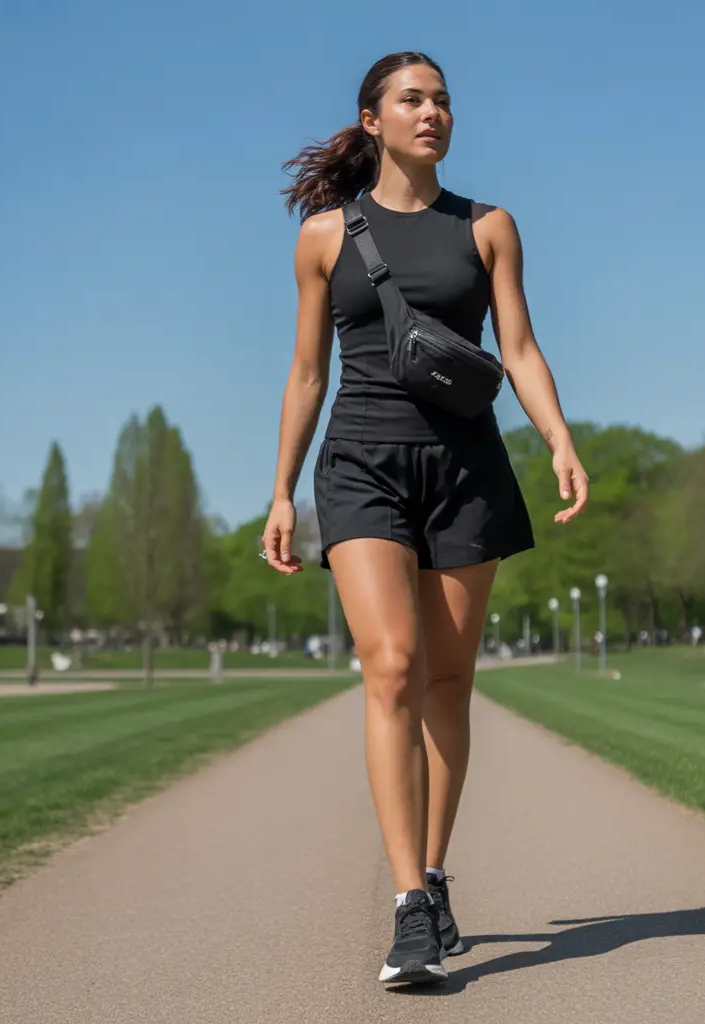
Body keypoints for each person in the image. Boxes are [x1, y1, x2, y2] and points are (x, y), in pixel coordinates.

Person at [264, 51, 589, 985]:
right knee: (394, 667)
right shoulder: (326, 237)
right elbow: (306, 374)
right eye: (413, 99)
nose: (433, 112)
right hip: (360, 461)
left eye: (443, 100)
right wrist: (283, 491)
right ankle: (410, 907)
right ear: (373, 119)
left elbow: (520, 348)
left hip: (466, 466)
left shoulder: (487, 228)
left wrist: (559, 439)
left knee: (450, 683)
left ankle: (436, 873)